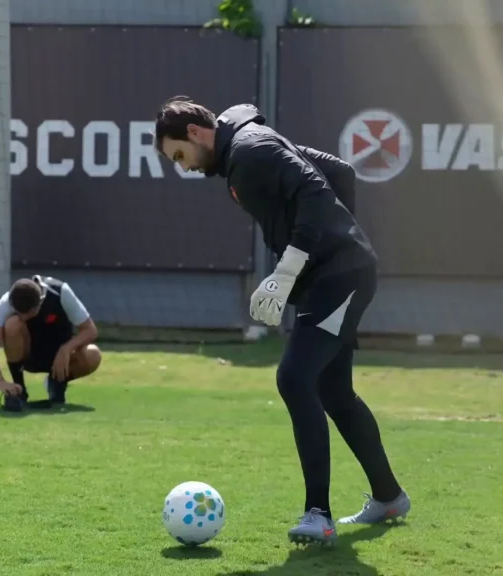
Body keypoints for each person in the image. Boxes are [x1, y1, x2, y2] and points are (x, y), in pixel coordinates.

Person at [154, 96, 409, 546]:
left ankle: (318, 514)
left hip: (338, 278)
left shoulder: (251, 150)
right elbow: (341, 174)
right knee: (333, 391)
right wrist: (335, 241)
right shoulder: (244, 148)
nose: (184, 167)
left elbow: (314, 189)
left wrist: (299, 262)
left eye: (179, 155)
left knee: (294, 380)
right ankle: (388, 497)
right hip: (331, 274)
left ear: (194, 133)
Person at [0, 275, 102, 412]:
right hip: (27, 357)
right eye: (19, 313)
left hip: (60, 359)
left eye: (28, 314)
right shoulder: (6, 302)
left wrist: (66, 349)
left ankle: (56, 382)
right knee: (12, 324)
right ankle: (19, 389)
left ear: (41, 301)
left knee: (93, 354)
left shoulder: (61, 292)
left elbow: (90, 330)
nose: (23, 318)